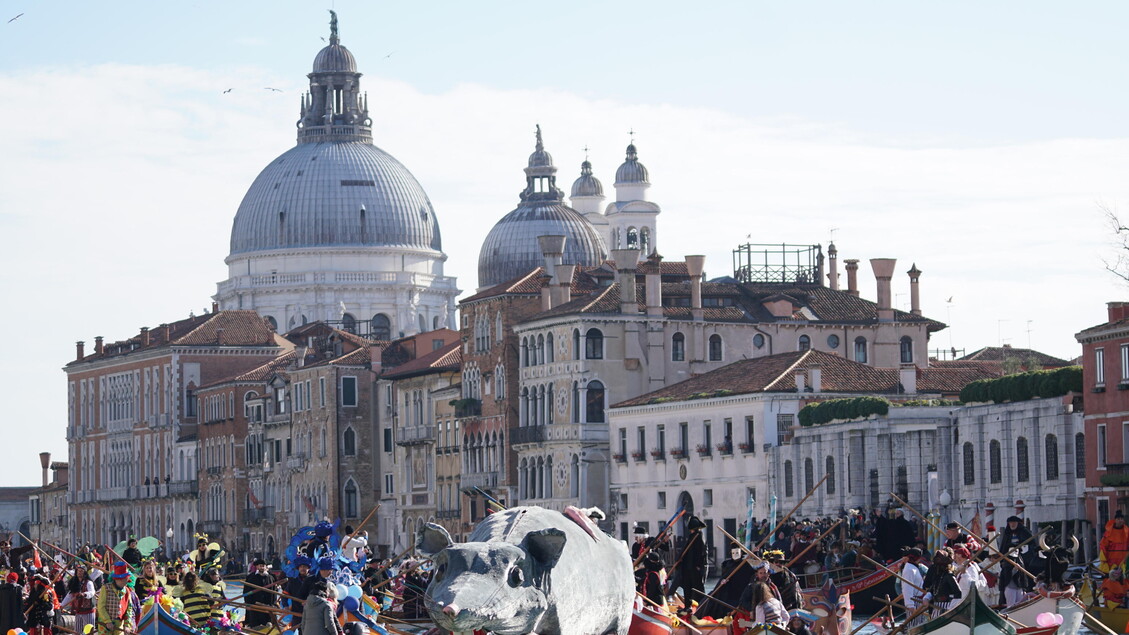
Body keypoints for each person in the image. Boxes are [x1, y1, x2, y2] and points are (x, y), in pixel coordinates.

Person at [673, 516, 707, 614]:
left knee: (697, 587)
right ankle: (687, 606)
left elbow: (701, 553)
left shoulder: (699, 536)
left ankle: (701, 607)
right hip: (687, 567)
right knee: (687, 586)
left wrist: (698, 565)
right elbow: (686, 551)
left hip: (694, 567)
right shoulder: (692, 537)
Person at [996, 516, 1034, 606]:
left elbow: (1031, 546)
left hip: (1023, 558)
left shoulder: (1025, 533)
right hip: (1009, 559)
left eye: (1014, 523)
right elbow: (1004, 546)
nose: (1012, 525)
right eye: (1010, 523)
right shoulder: (1007, 533)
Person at [95, 562, 138, 635]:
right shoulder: (105, 588)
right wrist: (107, 621)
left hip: (119, 625)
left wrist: (127, 625)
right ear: (115, 579)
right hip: (105, 625)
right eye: (120, 579)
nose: (122, 581)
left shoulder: (127, 591)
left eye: (125, 579)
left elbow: (129, 608)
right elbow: (101, 606)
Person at [921, 548, 961, 616]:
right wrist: (926, 598)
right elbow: (932, 588)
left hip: (947, 607)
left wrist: (950, 608)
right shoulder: (937, 575)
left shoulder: (949, 576)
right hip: (936, 607)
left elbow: (958, 593)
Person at [61, 565, 97, 634]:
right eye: (78, 571)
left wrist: (84, 594)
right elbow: (69, 596)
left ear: (85, 573)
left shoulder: (89, 583)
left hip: (88, 611)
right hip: (78, 611)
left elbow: (92, 592)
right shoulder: (74, 583)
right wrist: (62, 605)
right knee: (77, 631)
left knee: (89, 631)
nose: (79, 572)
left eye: (81, 571)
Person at [244, 558, 277, 630]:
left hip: (267, 606)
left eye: (263, 566)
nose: (262, 567)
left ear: (265, 567)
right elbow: (246, 592)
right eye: (260, 566)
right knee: (255, 625)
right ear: (257, 567)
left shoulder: (271, 578)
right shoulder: (250, 577)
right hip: (254, 606)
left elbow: (274, 593)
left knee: (268, 625)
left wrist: (274, 604)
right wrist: (248, 604)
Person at [900, 548, 927, 616]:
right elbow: (907, 588)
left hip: (919, 601)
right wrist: (910, 605)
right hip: (914, 602)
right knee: (915, 624)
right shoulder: (909, 570)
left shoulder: (913, 568)